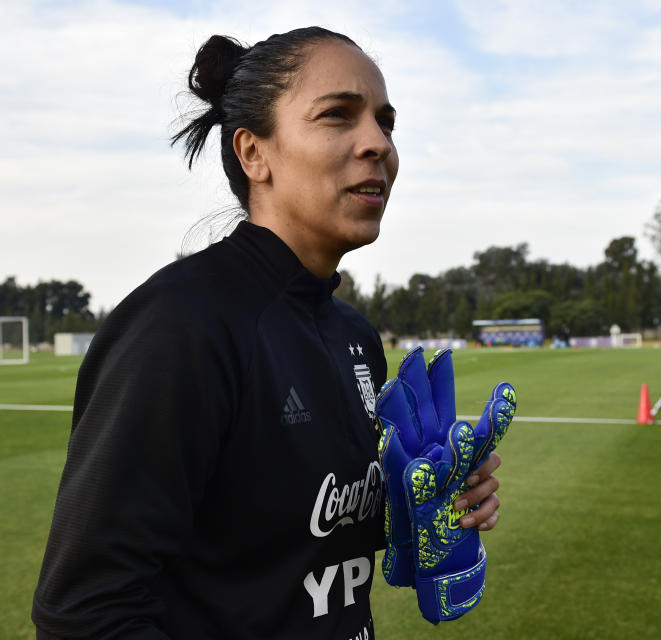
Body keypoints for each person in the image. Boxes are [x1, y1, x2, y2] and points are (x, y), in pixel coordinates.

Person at [32, 27, 502, 639]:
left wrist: (415, 517)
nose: (377, 145)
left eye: (386, 123)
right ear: (254, 153)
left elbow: (279, 551)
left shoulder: (355, 337)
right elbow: (86, 612)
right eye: (338, 116)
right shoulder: (182, 325)